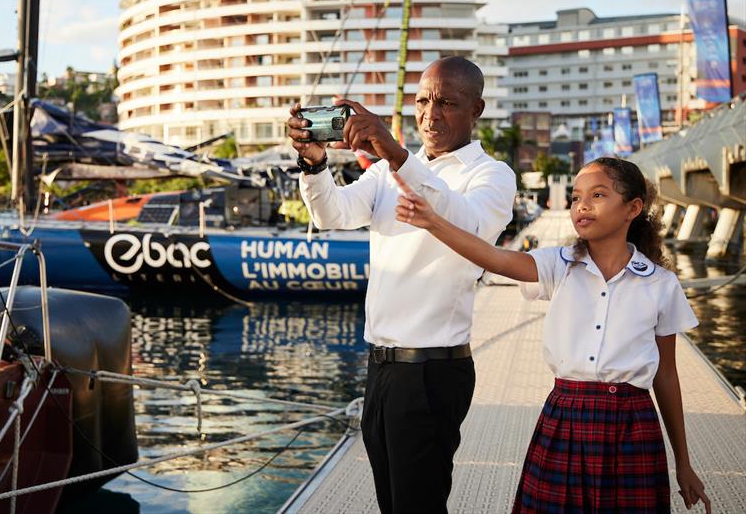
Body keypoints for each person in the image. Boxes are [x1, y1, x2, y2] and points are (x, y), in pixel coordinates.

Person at [392, 157, 711, 514]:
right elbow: (494, 258)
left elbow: (666, 375)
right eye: (575, 198)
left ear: (632, 208)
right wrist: (433, 222)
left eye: (598, 195)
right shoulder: (557, 265)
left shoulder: (661, 284)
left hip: (633, 425)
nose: (582, 205)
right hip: (565, 417)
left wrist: (683, 462)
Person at [286, 56, 516, 513]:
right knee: (392, 503)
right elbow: (333, 215)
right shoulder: (384, 172)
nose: (431, 114)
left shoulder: (492, 175)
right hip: (381, 369)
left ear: (477, 109)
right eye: (423, 101)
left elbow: (467, 225)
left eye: (447, 103)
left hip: (433, 371)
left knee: (419, 504)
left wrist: (396, 154)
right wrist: (314, 164)